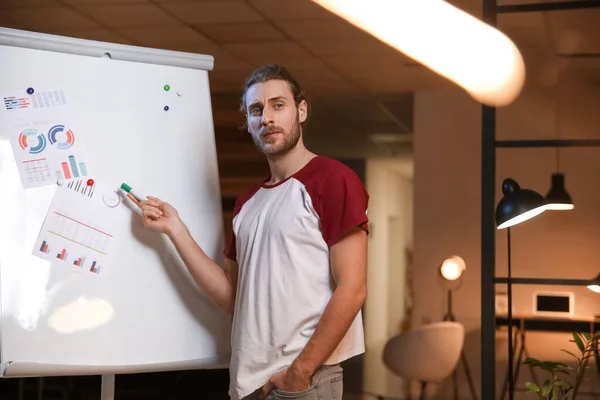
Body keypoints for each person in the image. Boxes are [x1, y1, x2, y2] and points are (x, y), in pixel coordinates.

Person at [128, 64, 369, 400]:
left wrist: (300, 371)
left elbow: (353, 288)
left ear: (301, 110)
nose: (267, 117)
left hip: (300, 383)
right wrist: (176, 230)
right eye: (257, 110)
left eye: (278, 105)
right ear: (250, 124)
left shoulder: (332, 179)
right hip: (248, 385)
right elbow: (230, 296)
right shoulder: (248, 204)